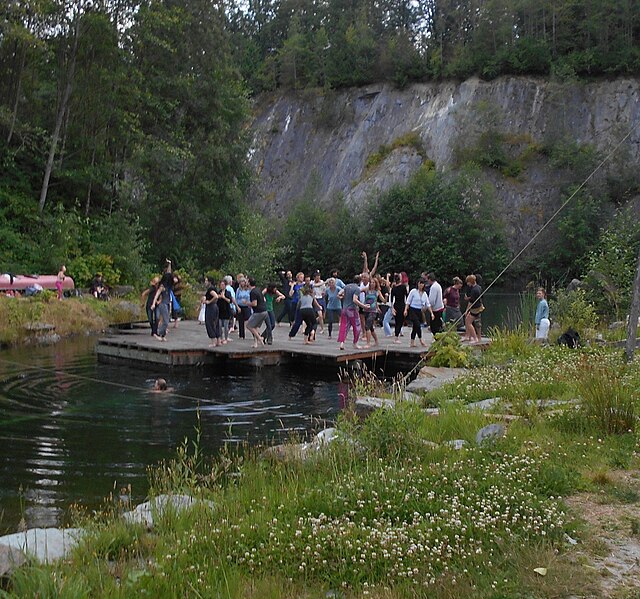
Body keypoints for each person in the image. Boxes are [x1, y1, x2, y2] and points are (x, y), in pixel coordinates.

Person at [337, 275, 368, 351]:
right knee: (357, 326)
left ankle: (342, 343)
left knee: (344, 326)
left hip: (344, 309)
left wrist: (342, 297)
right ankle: (355, 343)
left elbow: (339, 294)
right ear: (360, 281)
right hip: (352, 310)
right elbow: (354, 300)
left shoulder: (347, 286)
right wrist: (363, 306)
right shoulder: (357, 289)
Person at [404, 279, 433, 347]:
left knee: (415, 327)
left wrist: (431, 313)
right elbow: (408, 301)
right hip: (412, 310)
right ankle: (421, 339)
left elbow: (428, 304)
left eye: (422, 284)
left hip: (419, 310)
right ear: (418, 284)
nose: (421, 285)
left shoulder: (425, 294)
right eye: (420, 283)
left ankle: (412, 341)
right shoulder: (413, 291)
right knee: (417, 325)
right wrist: (405, 310)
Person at [246, 278, 268, 348]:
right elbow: (264, 299)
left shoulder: (253, 292)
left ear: (249, 283)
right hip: (264, 311)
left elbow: (254, 304)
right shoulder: (258, 290)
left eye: (247, 281)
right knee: (255, 327)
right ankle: (256, 343)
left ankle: (260, 338)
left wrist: (247, 303)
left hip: (259, 312)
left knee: (249, 326)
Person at [363, 277, 385, 348]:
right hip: (366, 310)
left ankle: (368, 343)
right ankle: (376, 341)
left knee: (367, 326)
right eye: (371, 282)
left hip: (373, 311)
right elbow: (358, 290)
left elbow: (383, 300)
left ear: (376, 284)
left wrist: (386, 297)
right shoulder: (366, 290)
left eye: (373, 282)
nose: (372, 284)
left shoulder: (377, 292)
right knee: (371, 327)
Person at [152, 272, 174, 341]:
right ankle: (158, 332)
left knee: (166, 321)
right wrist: (153, 304)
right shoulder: (162, 286)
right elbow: (157, 295)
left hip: (167, 304)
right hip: (163, 304)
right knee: (166, 321)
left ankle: (162, 336)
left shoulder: (168, 287)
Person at [463, 274, 484, 344]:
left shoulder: (474, 290)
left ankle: (475, 338)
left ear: (471, 281)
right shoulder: (479, 287)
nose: (467, 284)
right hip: (479, 306)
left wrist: (466, 310)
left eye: (468, 282)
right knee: (468, 320)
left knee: (469, 323)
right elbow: (476, 297)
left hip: (475, 309)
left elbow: (471, 302)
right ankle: (469, 336)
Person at [390, 273, 408, 344]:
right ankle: (396, 337)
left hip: (396, 305)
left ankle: (396, 335)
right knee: (400, 322)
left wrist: (392, 308)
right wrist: (407, 307)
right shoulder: (403, 287)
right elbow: (407, 296)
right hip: (402, 305)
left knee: (397, 322)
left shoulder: (393, 288)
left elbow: (391, 299)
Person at [202, 281, 221, 347]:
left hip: (211, 307)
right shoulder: (214, 288)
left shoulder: (210, 289)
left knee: (209, 323)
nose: (205, 282)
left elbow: (216, 296)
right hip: (215, 306)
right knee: (216, 323)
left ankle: (213, 341)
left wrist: (209, 301)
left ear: (209, 282)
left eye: (206, 281)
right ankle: (218, 340)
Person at [217, 279, 234, 344]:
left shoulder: (228, 292)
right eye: (221, 285)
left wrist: (223, 297)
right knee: (219, 325)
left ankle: (226, 338)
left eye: (223, 285)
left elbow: (230, 301)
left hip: (226, 311)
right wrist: (219, 296)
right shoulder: (218, 292)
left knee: (226, 325)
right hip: (220, 311)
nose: (222, 286)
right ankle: (221, 338)